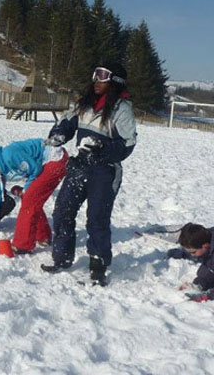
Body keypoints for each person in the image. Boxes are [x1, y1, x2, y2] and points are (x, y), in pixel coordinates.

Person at [41, 62, 137, 284]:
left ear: (114, 82)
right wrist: (58, 134)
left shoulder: (122, 110)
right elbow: (67, 122)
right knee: (63, 211)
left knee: (96, 220)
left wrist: (102, 148)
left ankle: (98, 266)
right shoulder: (84, 104)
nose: (96, 80)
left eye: (102, 76)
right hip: (80, 165)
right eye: (95, 74)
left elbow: (128, 144)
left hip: (104, 171)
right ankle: (62, 258)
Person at [0, 139, 67, 255]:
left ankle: (23, 245)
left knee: (29, 200)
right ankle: (43, 236)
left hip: (55, 159)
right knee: (31, 199)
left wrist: (27, 189)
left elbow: (35, 169)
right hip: (44, 165)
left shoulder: (9, 155)